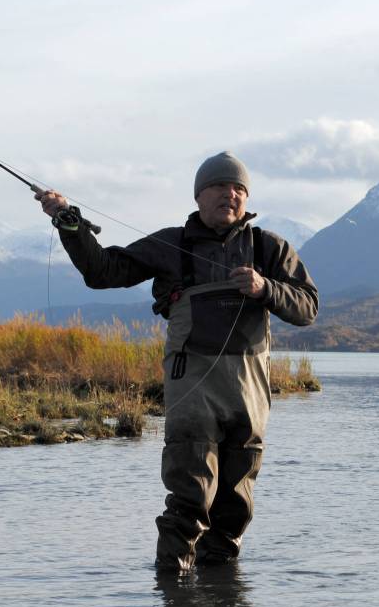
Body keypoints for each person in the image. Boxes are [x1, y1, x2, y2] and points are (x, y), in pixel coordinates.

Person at [35, 152, 318, 572]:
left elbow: (308, 307)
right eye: (220, 187)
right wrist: (68, 221)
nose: (230, 194)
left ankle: (223, 602)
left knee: (235, 508)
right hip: (193, 390)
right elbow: (103, 271)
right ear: (199, 196)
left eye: (239, 189)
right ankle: (174, 601)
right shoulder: (171, 244)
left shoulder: (269, 247)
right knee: (190, 498)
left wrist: (266, 289)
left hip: (249, 395)